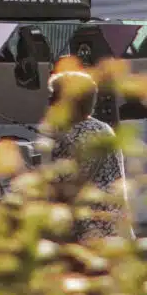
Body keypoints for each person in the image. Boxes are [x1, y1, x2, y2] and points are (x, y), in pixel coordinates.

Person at [44, 71, 127, 242]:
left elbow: (61, 189)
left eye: (54, 96)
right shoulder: (103, 128)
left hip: (87, 233)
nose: (49, 102)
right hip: (114, 229)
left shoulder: (70, 136)